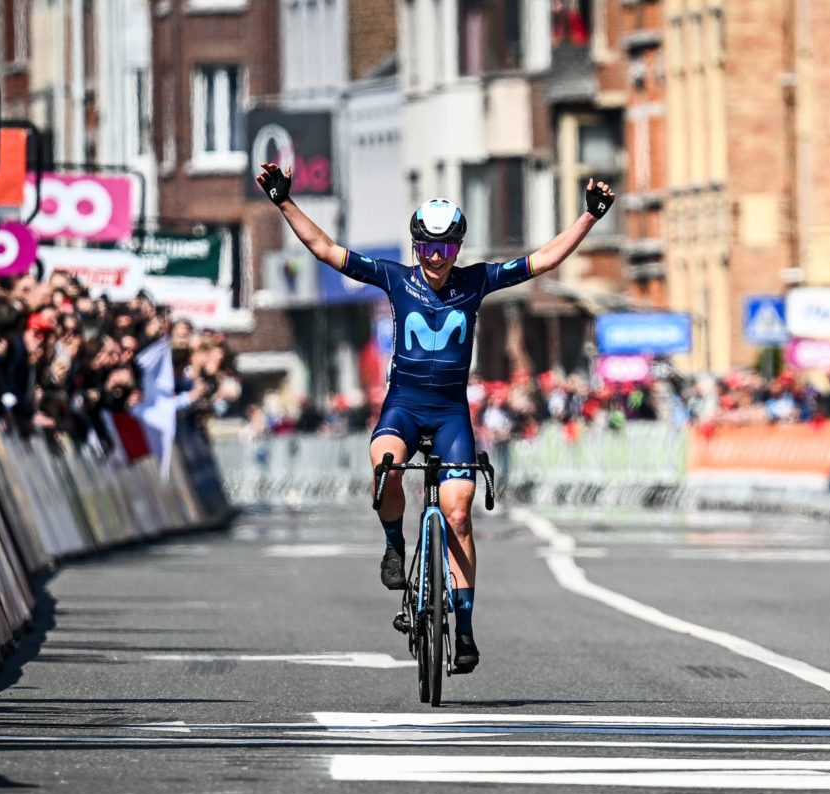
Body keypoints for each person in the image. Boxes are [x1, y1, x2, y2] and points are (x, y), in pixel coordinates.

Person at [256, 161, 615, 674]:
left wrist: (588, 218)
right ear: (414, 246)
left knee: (460, 514)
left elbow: (544, 260)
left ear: (459, 249)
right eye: (426, 248)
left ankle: (464, 630)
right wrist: (283, 202)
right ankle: (393, 546)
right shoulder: (394, 277)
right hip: (403, 406)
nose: (435, 260)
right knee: (384, 470)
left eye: (445, 250)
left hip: (450, 413)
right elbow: (327, 250)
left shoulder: (477, 281)